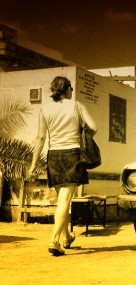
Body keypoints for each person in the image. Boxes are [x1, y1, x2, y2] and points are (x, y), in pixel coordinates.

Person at [27, 76, 97, 256]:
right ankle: (54, 241)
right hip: (72, 154)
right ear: (68, 89)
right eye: (71, 89)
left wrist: (34, 163)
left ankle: (66, 237)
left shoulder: (45, 109)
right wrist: (83, 131)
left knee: (61, 202)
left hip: (53, 155)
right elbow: (94, 127)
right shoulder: (77, 106)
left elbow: (40, 138)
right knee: (64, 202)